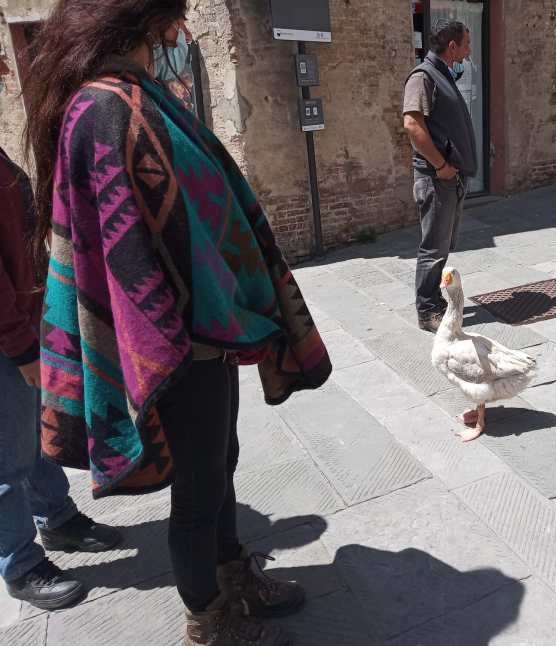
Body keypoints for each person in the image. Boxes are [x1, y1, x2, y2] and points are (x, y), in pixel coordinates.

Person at [23, 2, 332, 644]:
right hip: (178, 340)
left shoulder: (134, 94)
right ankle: (209, 620)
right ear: (153, 23)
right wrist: (186, 324)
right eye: (178, 18)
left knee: (222, 465)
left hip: (210, 331)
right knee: (196, 491)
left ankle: (233, 578)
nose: (183, 31)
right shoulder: (106, 106)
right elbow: (132, 244)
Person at [1, 145, 122, 611]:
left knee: (31, 434)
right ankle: (19, 563)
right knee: (6, 459)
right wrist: (21, 346)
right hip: (7, 335)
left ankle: (56, 518)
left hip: (23, 321)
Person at [403, 20, 478, 333]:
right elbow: (412, 125)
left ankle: (433, 300)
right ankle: (428, 311)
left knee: (442, 245)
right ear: (453, 47)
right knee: (433, 248)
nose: (470, 49)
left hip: (448, 178)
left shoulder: (443, 74)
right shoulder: (423, 76)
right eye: (467, 43)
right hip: (436, 178)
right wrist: (441, 166)